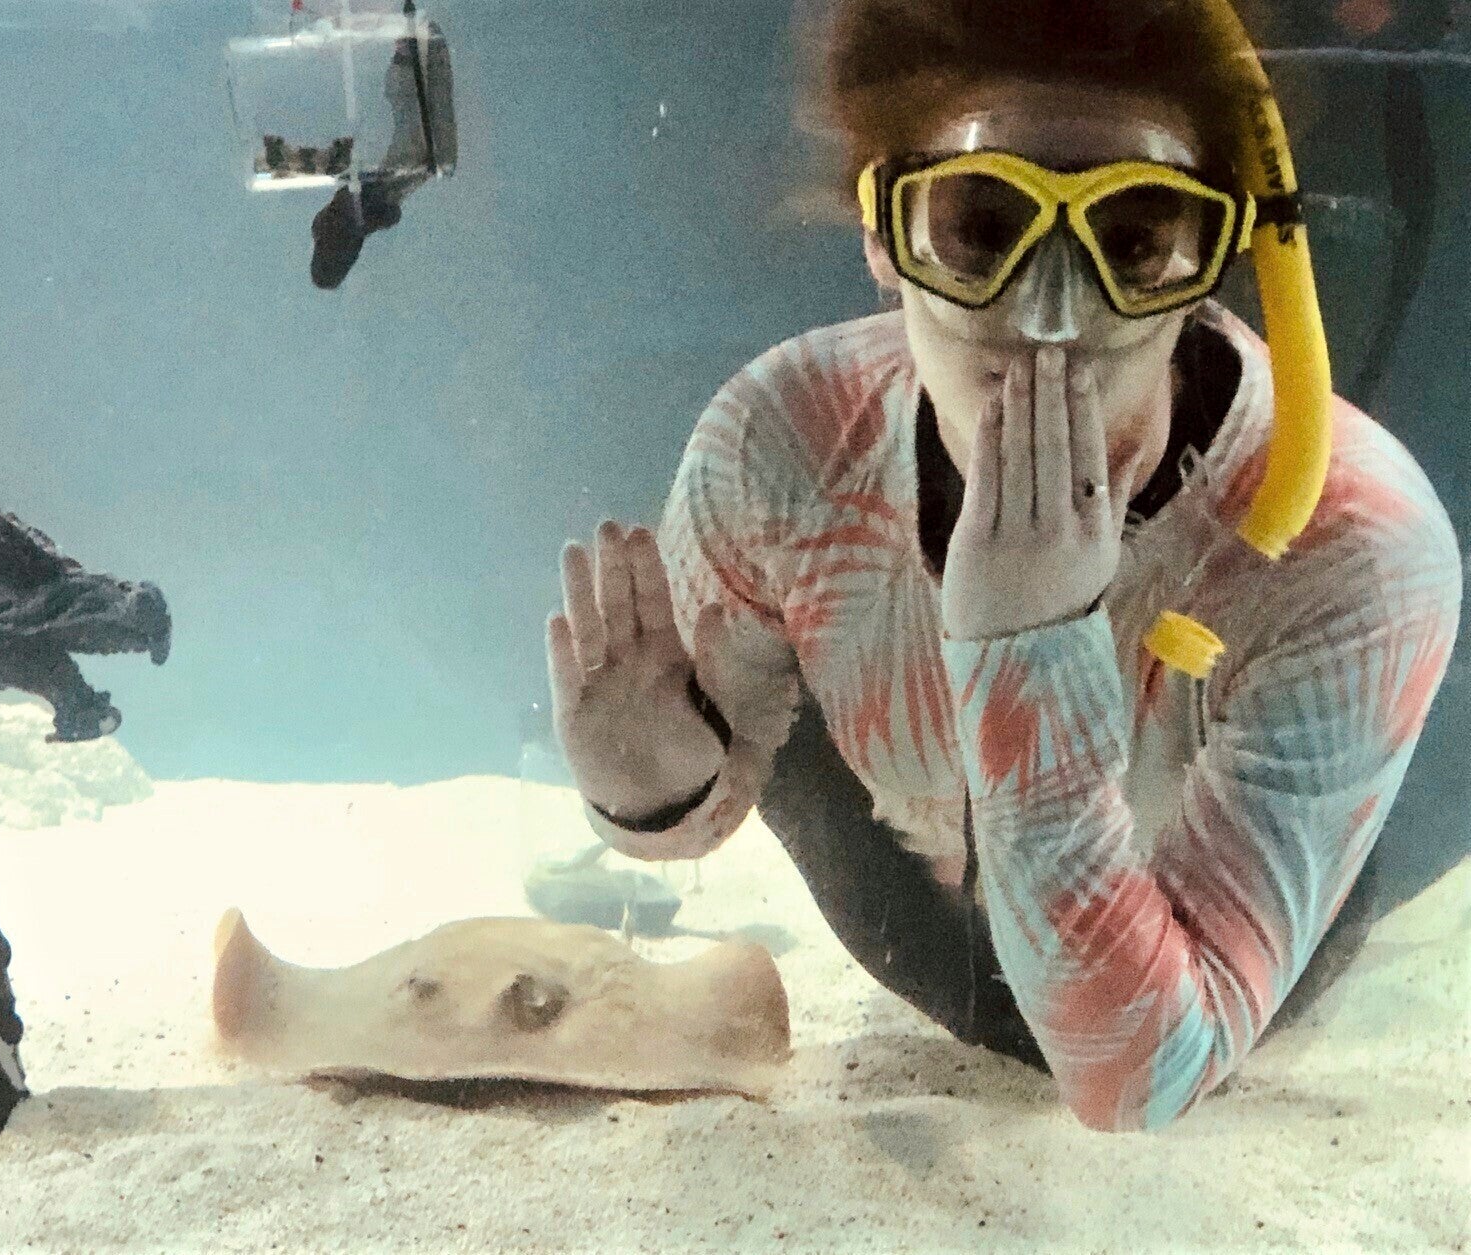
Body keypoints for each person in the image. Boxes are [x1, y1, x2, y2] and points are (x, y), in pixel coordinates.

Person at [544, 0, 1462, 1133]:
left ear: (1215, 256)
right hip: (922, 930)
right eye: (983, 225)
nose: (1049, 315)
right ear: (884, 235)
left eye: (1133, 239)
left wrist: (1028, 647)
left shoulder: (1355, 539)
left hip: (1224, 981)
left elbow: (1140, 1077)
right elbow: (706, 804)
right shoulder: (781, 444)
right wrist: (645, 786)